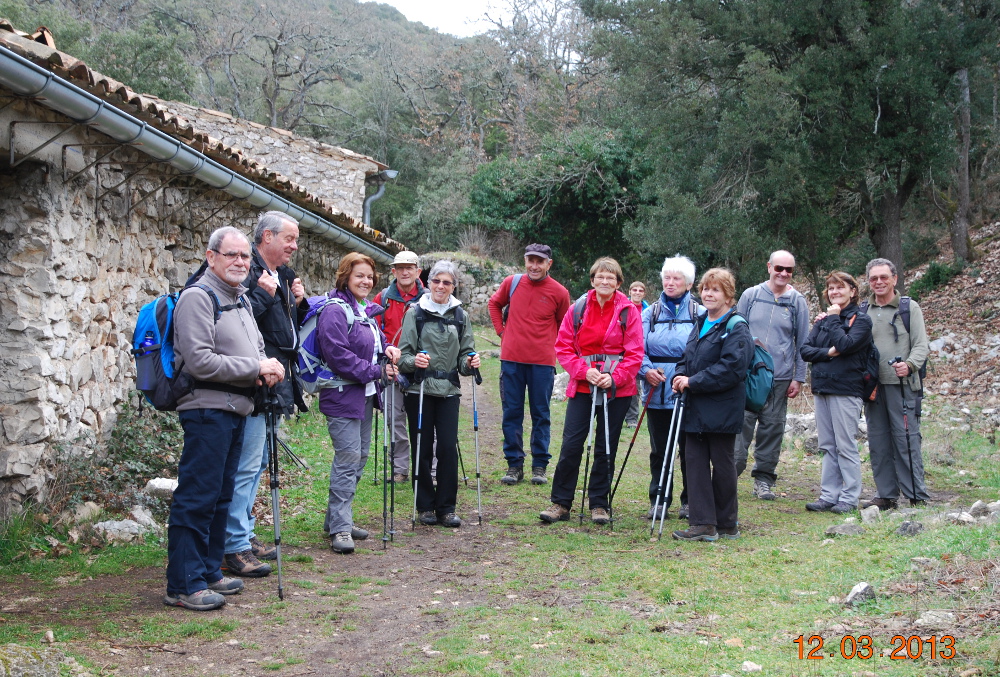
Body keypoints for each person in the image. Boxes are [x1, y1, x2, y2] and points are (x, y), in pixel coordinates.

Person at [165, 226, 285, 611]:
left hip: (236, 408)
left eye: (244, 256)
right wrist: (255, 366)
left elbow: (257, 346)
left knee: (220, 496)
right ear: (210, 256)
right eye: (231, 255)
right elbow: (199, 360)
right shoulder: (198, 298)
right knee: (197, 496)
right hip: (206, 410)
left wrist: (266, 366)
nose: (239, 262)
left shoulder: (241, 298)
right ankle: (184, 584)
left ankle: (209, 571)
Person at [223, 211, 307, 578]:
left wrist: (298, 303)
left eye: (296, 240)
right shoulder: (250, 274)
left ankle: (244, 530)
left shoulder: (281, 276)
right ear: (266, 237)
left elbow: (284, 330)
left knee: (256, 464)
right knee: (245, 465)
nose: (294, 246)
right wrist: (262, 294)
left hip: (275, 385)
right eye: (289, 239)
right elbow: (235, 323)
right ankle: (234, 544)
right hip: (251, 384)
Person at [539, 257, 643, 525]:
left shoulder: (628, 312)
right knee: (572, 445)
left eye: (611, 278)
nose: (605, 281)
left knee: (605, 447)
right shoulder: (578, 308)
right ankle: (560, 503)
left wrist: (614, 377)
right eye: (600, 276)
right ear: (592, 279)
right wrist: (584, 372)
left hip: (617, 391)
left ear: (619, 282)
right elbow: (563, 347)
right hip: (583, 387)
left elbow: (635, 353)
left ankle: (599, 504)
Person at [316, 252, 399, 553]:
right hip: (342, 396)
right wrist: (376, 371)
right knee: (348, 458)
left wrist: (388, 350)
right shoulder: (335, 311)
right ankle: (340, 529)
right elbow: (338, 355)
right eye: (359, 276)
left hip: (362, 395)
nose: (366, 281)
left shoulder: (363, 310)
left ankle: (337, 519)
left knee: (360, 457)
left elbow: (373, 342)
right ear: (345, 277)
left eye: (369, 276)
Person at [671, 268, 753, 542]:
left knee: (722, 463)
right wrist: (679, 375)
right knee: (694, 461)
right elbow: (687, 357)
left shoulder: (736, 326)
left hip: (722, 407)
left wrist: (693, 381)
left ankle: (727, 522)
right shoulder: (701, 321)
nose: (708, 293)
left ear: (729, 296)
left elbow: (733, 368)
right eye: (706, 288)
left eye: (716, 289)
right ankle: (703, 523)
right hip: (695, 407)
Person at [397, 260, 480, 527]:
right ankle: (424, 507)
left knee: (446, 447)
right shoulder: (416, 313)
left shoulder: (460, 315)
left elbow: (465, 355)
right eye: (436, 281)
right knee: (421, 446)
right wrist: (415, 362)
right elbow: (403, 356)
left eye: (446, 282)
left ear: (454, 286)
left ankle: (446, 507)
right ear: (428, 282)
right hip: (418, 389)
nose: (440, 286)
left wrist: (470, 362)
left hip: (449, 391)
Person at [487, 244, 571, 486]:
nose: (534, 266)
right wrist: (502, 332)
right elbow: (494, 304)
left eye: (539, 261)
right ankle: (514, 465)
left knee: (541, 414)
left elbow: (564, 325)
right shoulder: (512, 283)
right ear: (525, 261)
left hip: (542, 364)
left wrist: (552, 347)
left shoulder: (560, 292)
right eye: (530, 260)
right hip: (511, 360)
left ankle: (539, 466)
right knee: (511, 412)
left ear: (548, 264)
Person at [733, 250, 809, 500]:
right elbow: (735, 331)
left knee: (772, 429)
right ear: (769, 267)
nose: (783, 274)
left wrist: (799, 377)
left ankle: (764, 480)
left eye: (789, 270)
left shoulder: (797, 301)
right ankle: (729, 475)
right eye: (779, 268)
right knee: (740, 426)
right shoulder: (751, 296)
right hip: (749, 375)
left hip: (780, 378)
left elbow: (802, 341)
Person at [859, 258, 930, 509]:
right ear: (868, 281)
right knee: (878, 441)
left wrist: (909, 365)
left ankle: (916, 495)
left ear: (894, 279)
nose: (879, 282)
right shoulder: (862, 311)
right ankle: (886, 495)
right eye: (873, 278)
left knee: (906, 439)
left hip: (903, 386)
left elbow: (922, 345)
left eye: (883, 277)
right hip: (873, 388)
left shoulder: (909, 308)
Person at [800, 272, 873, 514]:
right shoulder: (822, 321)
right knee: (828, 445)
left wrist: (832, 319)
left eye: (839, 288)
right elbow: (806, 351)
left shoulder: (861, 321)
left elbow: (846, 345)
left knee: (845, 445)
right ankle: (828, 495)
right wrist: (828, 353)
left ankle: (849, 497)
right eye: (831, 288)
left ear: (853, 291)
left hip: (846, 390)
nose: (834, 292)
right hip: (822, 388)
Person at [639, 256, 704, 520]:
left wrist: (690, 376)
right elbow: (637, 349)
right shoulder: (649, 313)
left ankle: (690, 501)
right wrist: (646, 371)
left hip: (688, 390)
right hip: (657, 391)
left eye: (677, 278)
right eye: (667, 277)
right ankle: (659, 498)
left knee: (690, 449)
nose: (670, 282)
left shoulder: (699, 314)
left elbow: (704, 351)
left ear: (688, 284)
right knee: (659, 449)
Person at [373, 251, 426, 484]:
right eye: (400, 268)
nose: (405, 272)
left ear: (418, 271)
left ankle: (428, 469)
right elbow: (373, 334)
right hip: (392, 369)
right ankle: (400, 469)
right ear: (393, 271)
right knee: (394, 420)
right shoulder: (382, 298)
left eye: (410, 267)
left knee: (424, 419)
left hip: (421, 368)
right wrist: (382, 362)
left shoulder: (428, 298)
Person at [625, 281, 650, 427]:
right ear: (629, 291)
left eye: (641, 290)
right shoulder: (622, 307)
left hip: (643, 351)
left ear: (644, 294)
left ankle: (632, 418)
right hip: (624, 351)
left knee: (636, 387)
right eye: (634, 290)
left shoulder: (649, 310)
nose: (637, 292)